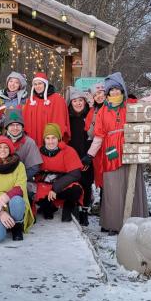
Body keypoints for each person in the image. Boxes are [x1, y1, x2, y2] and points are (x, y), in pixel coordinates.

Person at [83, 66, 151, 235]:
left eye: (116, 89)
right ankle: (114, 225)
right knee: (113, 188)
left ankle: (135, 222)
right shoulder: (103, 111)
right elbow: (98, 137)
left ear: (121, 89)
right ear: (107, 93)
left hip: (131, 150)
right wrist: (89, 155)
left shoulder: (131, 104)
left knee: (133, 185)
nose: (114, 93)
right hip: (111, 153)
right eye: (111, 90)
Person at [0, 136, 34, 242]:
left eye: (6, 147)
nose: (3, 150)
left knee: (17, 200)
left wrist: (2, 200)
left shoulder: (19, 165)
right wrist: (0, 213)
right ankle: (4, 222)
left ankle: (16, 226)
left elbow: (19, 188)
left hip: (11, 202)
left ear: (10, 150)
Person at [34, 123, 83, 222]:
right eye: (48, 138)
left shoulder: (68, 151)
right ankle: (49, 207)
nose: (51, 141)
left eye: (54, 138)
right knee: (34, 193)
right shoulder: (38, 150)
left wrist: (55, 187)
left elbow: (75, 174)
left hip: (62, 184)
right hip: (45, 184)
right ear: (44, 139)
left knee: (76, 190)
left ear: (59, 138)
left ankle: (68, 207)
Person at [2, 108, 43, 203]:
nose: (15, 128)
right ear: (7, 127)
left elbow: (34, 167)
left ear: (22, 127)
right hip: (3, 179)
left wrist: (17, 180)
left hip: (24, 179)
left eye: (18, 125)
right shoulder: (1, 141)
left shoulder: (29, 142)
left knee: (25, 193)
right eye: (11, 125)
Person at [67, 88, 93, 226]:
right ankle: (75, 207)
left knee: (87, 184)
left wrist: (88, 157)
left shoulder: (90, 115)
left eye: (80, 100)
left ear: (84, 102)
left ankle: (84, 212)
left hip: (87, 157)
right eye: (75, 101)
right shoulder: (68, 118)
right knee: (74, 184)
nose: (78, 103)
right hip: (72, 157)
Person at [22, 72, 70, 147]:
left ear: (45, 84)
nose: (37, 86)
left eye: (40, 83)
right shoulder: (31, 101)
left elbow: (61, 120)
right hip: (34, 140)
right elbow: (25, 122)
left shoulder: (57, 99)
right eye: (35, 84)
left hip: (52, 141)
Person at [85, 82, 106, 212]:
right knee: (102, 180)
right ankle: (104, 208)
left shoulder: (113, 107)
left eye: (101, 93)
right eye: (96, 94)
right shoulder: (93, 111)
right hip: (97, 151)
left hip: (111, 148)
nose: (99, 96)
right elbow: (89, 132)